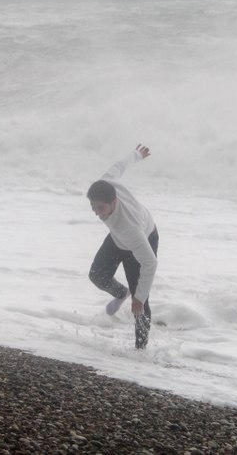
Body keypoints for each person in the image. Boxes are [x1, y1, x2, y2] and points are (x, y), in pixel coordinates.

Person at [87, 144, 159, 349]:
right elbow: (119, 166)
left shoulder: (130, 228)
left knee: (140, 304)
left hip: (143, 237)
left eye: (100, 208)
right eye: (93, 207)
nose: (96, 213)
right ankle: (121, 293)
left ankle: (140, 351)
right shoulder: (105, 184)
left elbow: (150, 263)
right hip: (118, 238)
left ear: (113, 201)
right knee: (97, 275)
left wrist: (139, 297)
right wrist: (137, 155)